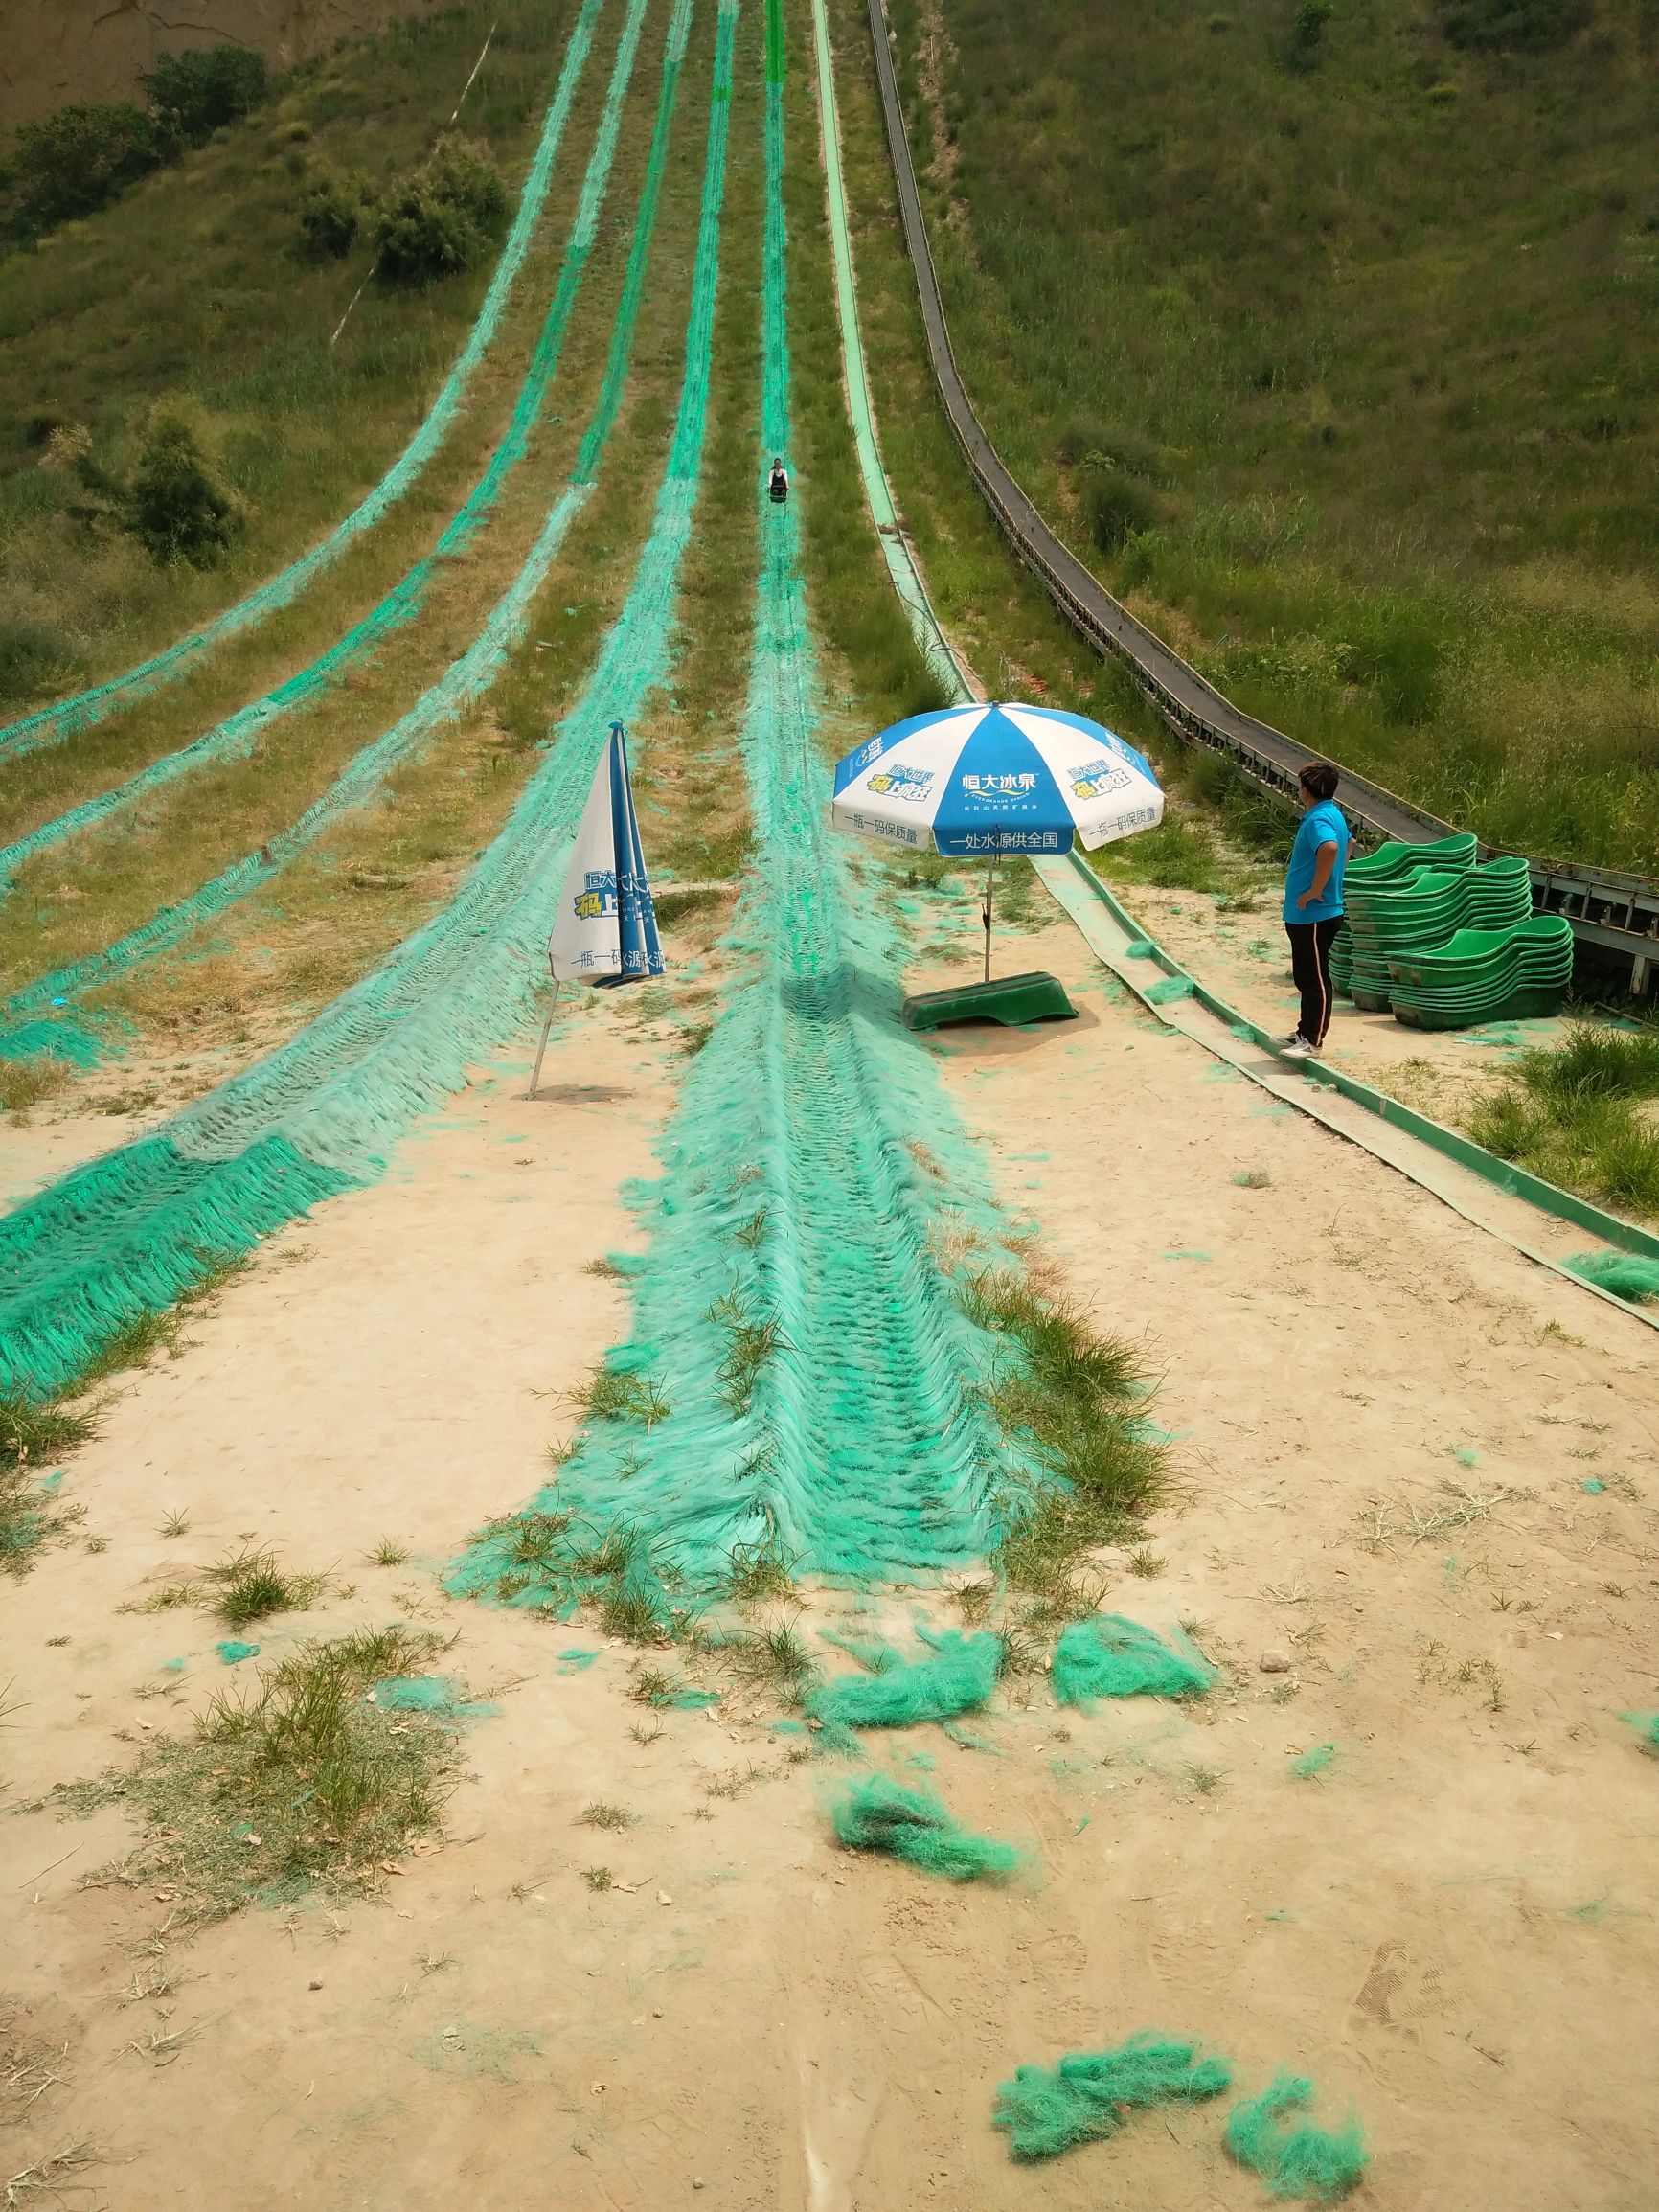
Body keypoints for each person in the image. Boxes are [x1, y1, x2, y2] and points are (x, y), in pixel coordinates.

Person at [1279, 760, 1350, 1059]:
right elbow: (1348, 844)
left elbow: (1331, 848)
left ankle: (1313, 1040)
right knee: (1305, 975)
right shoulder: (1332, 813)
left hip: (1314, 915)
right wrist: (1334, 880)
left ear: (1307, 790)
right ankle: (1304, 1031)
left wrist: (1316, 889)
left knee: (1314, 978)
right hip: (1313, 913)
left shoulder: (1318, 820)